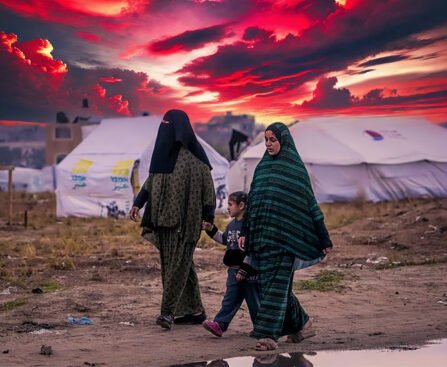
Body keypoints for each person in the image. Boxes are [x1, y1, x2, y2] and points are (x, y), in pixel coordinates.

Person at [239, 122, 333, 351]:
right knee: (273, 285)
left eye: (273, 140)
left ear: (284, 140)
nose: (269, 144)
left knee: (274, 287)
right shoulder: (262, 168)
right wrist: (245, 233)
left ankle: (268, 336)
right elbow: (253, 203)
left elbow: (311, 206)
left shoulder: (295, 169)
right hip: (262, 237)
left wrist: (324, 238)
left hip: (285, 240)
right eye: (266, 140)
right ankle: (302, 324)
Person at [129, 109, 216, 330]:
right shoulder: (162, 155)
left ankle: (167, 313)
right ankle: (195, 311)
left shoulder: (196, 158)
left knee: (176, 266)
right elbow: (150, 183)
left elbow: (208, 190)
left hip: (186, 223)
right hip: (162, 221)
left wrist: (208, 217)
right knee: (179, 265)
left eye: (168, 123)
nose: (164, 127)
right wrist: (138, 203)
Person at [201, 191, 259, 337]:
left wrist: (244, 269)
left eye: (230, 204)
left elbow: (252, 250)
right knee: (230, 299)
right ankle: (220, 325)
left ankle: (262, 328)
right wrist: (211, 230)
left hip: (249, 271)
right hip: (233, 271)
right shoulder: (232, 225)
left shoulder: (248, 226)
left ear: (241, 205)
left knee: (254, 302)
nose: (228, 208)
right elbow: (224, 240)